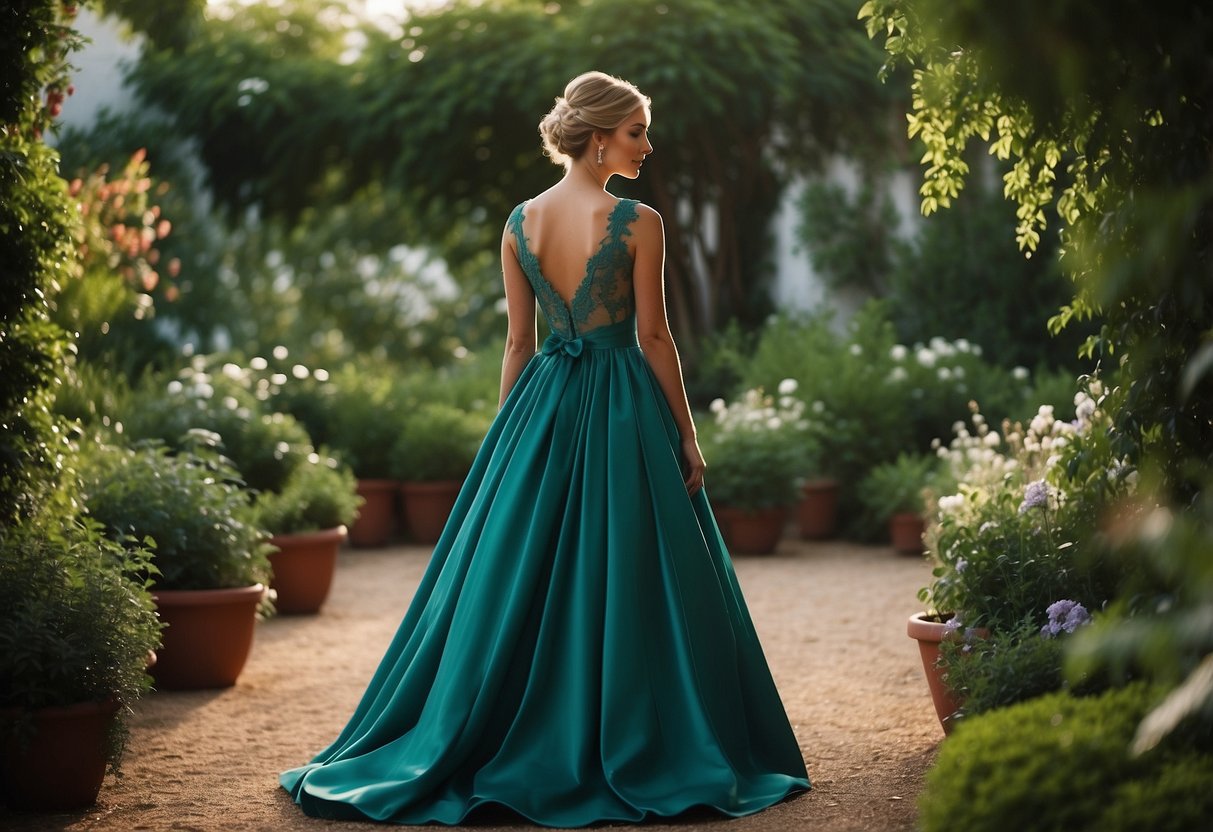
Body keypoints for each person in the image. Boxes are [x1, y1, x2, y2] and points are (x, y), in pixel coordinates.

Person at [280, 70, 810, 826]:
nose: (647, 145)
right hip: (621, 406)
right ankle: (633, 737)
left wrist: (508, 441)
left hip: (540, 407)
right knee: (633, 568)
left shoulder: (517, 222)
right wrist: (687, 433)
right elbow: (654, 338)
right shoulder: (638, 221)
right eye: (635, 132)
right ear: (598, 138)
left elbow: (516, 343)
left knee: (520, 574)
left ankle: (495, 731)